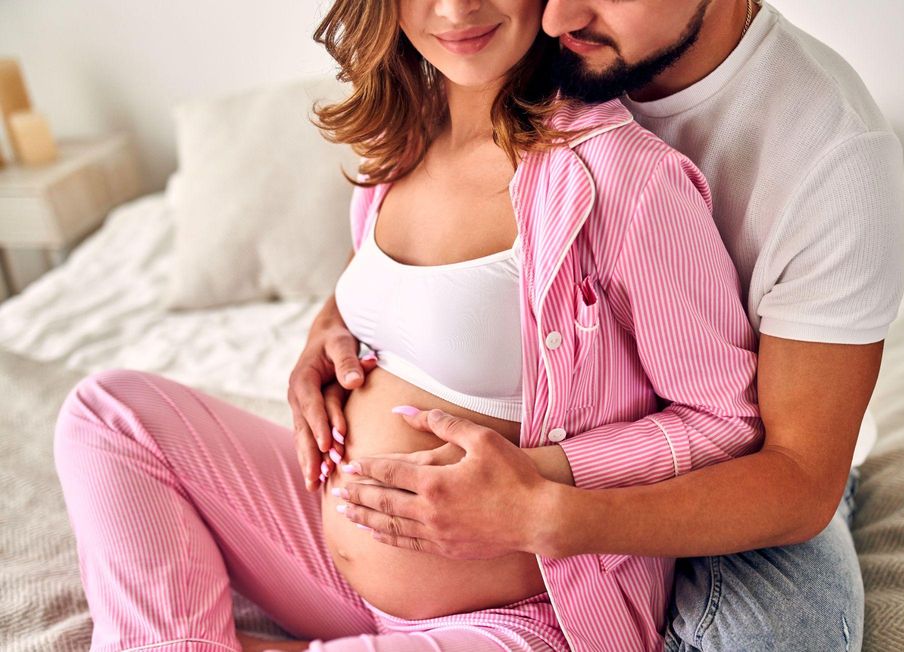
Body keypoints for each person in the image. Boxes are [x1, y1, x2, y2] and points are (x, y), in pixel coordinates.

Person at [53, 0, 765, 651]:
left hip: (517, 620)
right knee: (108, 414)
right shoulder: (403, 145)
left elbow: (725, 420)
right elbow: (411, 295)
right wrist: (323, 335)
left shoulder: (625, 179)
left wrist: (548, 478)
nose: (456, 9)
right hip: (326, 556)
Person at [295, 1, 904, 651]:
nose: (558, 15)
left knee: (779, 638)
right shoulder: (516, 39)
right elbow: (450, 223)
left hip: (764, 469)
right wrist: (333, 323)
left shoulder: (831, 149)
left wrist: (545, 512)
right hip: (567, 455)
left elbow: (799, 478)